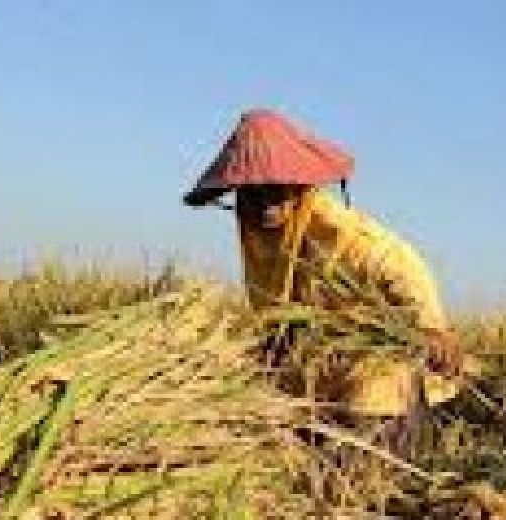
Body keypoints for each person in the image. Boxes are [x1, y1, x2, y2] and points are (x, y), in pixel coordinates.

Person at [183, 109, 464, 459]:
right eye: (253, 191)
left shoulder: (337, 230)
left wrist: (432, 328)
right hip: (317, 381)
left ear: (298, 186)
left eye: (275, 189)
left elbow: (402, 265)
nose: (265, 203)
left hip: (375, 388)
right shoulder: (257, 233)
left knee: (373, 488)